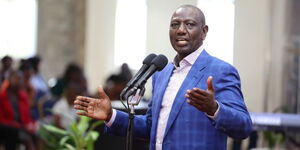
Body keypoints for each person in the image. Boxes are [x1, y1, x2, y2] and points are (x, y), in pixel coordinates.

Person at [74, 5, 252, 150]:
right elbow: (151, 127)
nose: (181, 30)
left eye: (189, 24)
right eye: (175, 25)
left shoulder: (221, 70)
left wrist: (214, 109)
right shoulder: (162, 72)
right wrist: (111, 115)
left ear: (204, 32)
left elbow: (244, 127)